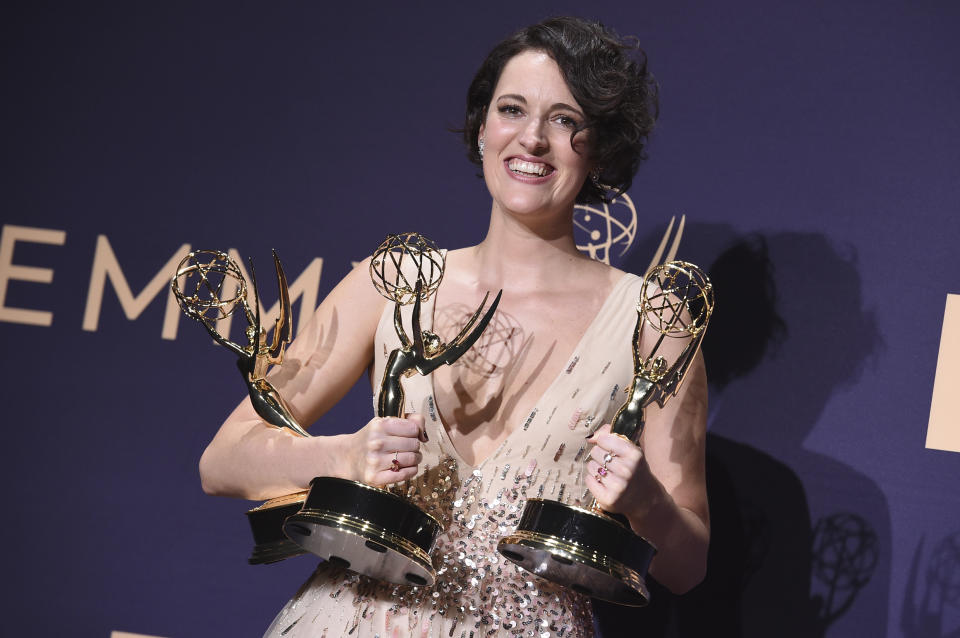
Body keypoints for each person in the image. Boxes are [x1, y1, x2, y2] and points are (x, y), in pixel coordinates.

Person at [199, 16, 709, 637]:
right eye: (512, 109)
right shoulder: (390, 282)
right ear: (482, 126)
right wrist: (347, 455)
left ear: (599, 146)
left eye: (565, 119)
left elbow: (688, 568)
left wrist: (646, 502)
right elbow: (223, 460)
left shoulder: (655, 324)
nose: (532, 139)